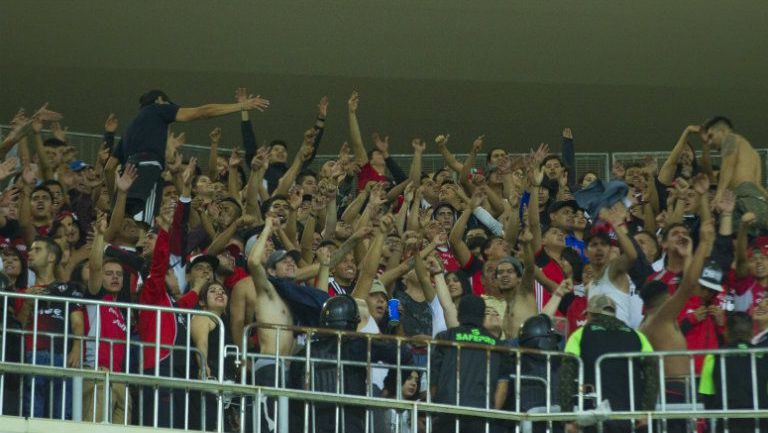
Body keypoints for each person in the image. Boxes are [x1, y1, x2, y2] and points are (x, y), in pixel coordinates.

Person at [109, 89, 270, 223]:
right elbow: (202, 112)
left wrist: (114, 198)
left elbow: (109, 168)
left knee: (122, 229)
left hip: (125, 183)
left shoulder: (130, 130)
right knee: (141, 229)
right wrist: (241, 106)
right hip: (147, 175)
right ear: (160, 100)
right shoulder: (157, 108)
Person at [289, 295, 406, 433]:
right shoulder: (359, 346)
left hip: (311, 426)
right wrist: (389, 388)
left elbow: (294, 404)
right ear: (354, 322)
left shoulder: (304, 353)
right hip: (349, 425)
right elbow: (404, 355)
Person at [638, 219, 714, 433]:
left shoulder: (645, 324)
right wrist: (702, 245)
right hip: (677, 389)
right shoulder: (663, 317)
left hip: (661, 390)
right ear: (664, 299)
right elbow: (689, 285)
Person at [559, 294, 658, 433]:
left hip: (594, 416)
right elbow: (652, 375)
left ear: (590, 314)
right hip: (630, 416)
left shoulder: (580, 335)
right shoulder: (638, 336)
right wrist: (647, 411)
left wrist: (568, 417)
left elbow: (566, 376)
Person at [15, 237, 85, 419]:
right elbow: (18, 327)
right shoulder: (22, 292)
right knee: (32, 415)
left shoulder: (70, 289)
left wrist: (77, 347)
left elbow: (77, 321)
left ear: (52, 257)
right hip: (30, 356)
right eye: (29, 250)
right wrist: (28, 303)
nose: (29, 254)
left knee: (62, 417)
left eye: (37, 250)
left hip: (62, 357)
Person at [431, 295, 509, 432]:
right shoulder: (498, 345)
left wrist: (433, 409)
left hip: (447, 411)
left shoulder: (445, 338)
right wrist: (490, 415)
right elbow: (502, 387)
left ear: (459, 314)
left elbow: (434, 380)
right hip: (481, 415)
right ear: (482, 316)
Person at [82, 217, 130, 423]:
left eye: (119, 274)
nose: (115, 277)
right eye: (109, 273)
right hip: (97, 375)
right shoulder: (96, 297)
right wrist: (100, 236)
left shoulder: (122, 310)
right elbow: (94, 267)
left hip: (119, 378)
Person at [699, 312, 768, 433]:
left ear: (726, 332)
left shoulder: (713, 357)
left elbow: (707, 396)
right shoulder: (764, 356)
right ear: (752, 331)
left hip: (727, 423)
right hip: (760, 423)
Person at [702, 116, 768, 235]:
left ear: (722, 131)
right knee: (751, 246)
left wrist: (719, 194)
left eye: (711, 136)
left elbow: (728, 166)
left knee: (731, 241)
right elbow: (757, 185)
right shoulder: (754, 153)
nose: (710, 142)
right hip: (757, 201)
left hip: (742, 197)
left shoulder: (730, 138)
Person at [190, 281, 236, 432]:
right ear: (202, 301)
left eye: (222, 291)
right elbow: (201, 342)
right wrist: (203, 366)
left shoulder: (223, 323)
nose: (219, 293)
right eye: (212, 291)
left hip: (222, 388)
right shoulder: (203, 317)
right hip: (209, 384)